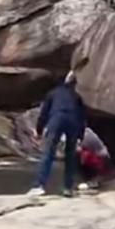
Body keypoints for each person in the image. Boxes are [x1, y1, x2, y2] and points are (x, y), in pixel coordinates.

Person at [32, 69, 89, 197]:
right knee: (70, 156)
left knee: (48, 153)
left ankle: (39, 186)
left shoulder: (53, 94)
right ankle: (68, 188)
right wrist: (80, 135)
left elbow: (44, 113)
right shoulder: (76, 97)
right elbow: (82, 117)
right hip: (73, 122)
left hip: (57, 120)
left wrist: (38, 130)